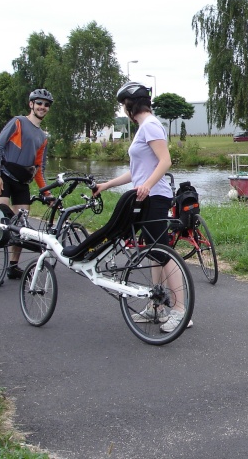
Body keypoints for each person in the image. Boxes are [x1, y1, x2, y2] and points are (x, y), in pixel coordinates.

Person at [93, 81, 191, 332]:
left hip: (156, 197)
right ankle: (156, 307)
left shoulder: (151, 125)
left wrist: (147, 185)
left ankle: (181, 311)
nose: (124, 109)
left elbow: (165, 160)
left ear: (130, 106)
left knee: (162, 251)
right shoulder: (143, 128)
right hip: (147, 195)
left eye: (124, 105)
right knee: (154, 251)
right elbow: (136, 173)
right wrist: (107, 184)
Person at [0, 88, 53, 281]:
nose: (42, 107)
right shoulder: (18, 122)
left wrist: (47, 194)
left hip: (22, 182)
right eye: (39, 103)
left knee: (21, 226)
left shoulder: (43, 137)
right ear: (31, 104)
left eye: (46, 105)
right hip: (5, 177)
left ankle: (13, 266)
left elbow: (39, 170)